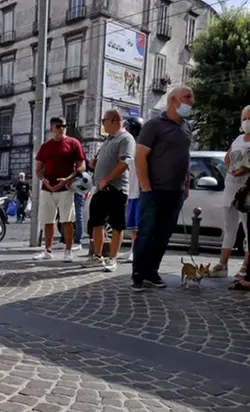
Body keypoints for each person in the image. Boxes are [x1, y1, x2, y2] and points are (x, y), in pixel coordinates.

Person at [131, 87, 195, 292]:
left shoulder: (187, 127)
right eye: (187, 97)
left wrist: (186, 185)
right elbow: (140, 156)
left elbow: (186, 158)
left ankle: (152, 272)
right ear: (173, 100)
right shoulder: (154, 125)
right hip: (154, 190)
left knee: (164, 235)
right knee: (147, 232)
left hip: (175, 191)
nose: (191, 101)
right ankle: (138, 275)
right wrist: (145, 185)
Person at [83, 109, 135, 272]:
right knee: (97, 223)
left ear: (112, 121)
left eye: (103, 120)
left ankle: (112, 258)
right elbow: (100, 160)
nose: (102, 124)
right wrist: (94, 164)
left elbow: (124, 163)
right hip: (100, 189)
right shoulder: (108, 139)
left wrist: (107, 179)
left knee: (117, 225)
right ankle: (97, 256)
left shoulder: (126, 138)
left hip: (116, 189)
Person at [33, 116, 87, 262]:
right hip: (47, 188)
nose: (62, 128)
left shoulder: (73, 143)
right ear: (51, 128)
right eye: (58, 126)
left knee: (67, 220)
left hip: (66, 188)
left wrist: (69, 178)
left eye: (64, 126)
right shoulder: (45, 146)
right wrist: (44, 180)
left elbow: (82, 166)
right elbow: (38, 169)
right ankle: (47, 250)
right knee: (48, 220)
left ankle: (68, 251)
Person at [219, 106, 250, 283]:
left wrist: (245, 168)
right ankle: (222, 264)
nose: (246, 122)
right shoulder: (238, 138)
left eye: (249, 118)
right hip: (231, 186)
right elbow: (228, 157)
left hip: (246, 190)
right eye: (244, 118)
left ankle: (245, 266)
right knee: (228, 226)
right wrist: (230, 167)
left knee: (247, 228)